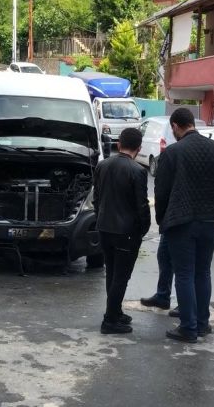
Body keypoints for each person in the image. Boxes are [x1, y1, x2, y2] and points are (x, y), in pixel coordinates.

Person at [154, 108, 214, 343]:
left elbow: (161, 191)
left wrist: (162, 220)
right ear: (192, 123)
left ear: (175, 126)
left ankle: (188, 327)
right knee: (203, 272)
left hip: (181, 221)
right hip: (209, 221)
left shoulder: (173, 152)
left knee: (184, 274)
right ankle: (202, 323)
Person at [93, 128, 151, 335]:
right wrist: (143, 229)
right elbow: (141, 205)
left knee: (112, 272)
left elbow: (97, 197)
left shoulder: (102, 165)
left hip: (104, 227)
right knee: (121, 276)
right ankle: (110, 319)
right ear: (139, 148)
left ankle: (114, 311)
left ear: (119, 144)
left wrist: (100, 218)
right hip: (126, 232)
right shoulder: (138, 171)